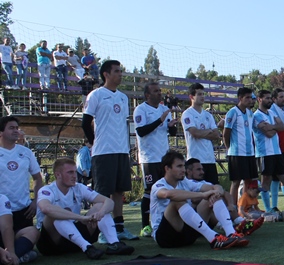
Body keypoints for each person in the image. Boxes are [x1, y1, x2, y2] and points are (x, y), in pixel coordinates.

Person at [82, 60, 138, 241]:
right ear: (106, 74)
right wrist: (94, 143)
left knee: (119, 191)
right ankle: (104, 232)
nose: (120, 74)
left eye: (121, 71)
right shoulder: (96, 95)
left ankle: (119, 228)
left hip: (121, 150)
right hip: (103, 152)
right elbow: (85, 123)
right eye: (117, 71)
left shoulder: (123, 97)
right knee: (103, 193)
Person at [36, 159, 134, 260]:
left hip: (74, 238)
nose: (74, 176)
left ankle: (114, 243)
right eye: (70, 172)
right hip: (52, 243)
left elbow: (109, 202)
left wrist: (100, 213)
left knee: (100, 206)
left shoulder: (79, 187)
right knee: (57, 214)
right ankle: (86, 247)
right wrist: (81, 218)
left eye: (75, 171)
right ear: (58, 175)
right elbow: (45, 208)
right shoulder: (47, 190)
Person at [150, 150, 247, 249]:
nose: (183, 169)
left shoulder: (185, 182)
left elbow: (216, 187)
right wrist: (201, 195)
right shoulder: (158, 185)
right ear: (167, 168)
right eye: (179, 166)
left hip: (187, 235)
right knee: (177, 201)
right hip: (165, 238)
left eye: (183, 166)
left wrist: (216, 193)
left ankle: (231, 233)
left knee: (213, 195)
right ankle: (214, 239)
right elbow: (168, 194)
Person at [133, 81, 178, 237]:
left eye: (160, 90)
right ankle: (145, 225)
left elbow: (171, 133)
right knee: (150, 190)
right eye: (155, 91)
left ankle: (166, 221)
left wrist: (172, 126)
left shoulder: (165, 110)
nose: (159, 93)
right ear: (147, 95)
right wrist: (160, 120)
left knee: (167, 189)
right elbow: (141, 131)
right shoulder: (141, 110)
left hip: (163, 157)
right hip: (149, 157)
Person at [0, 116, 42, 265]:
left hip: (23, 211)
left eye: (17, 128)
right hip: (2, 212)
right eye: (11, 128)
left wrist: (35, 201)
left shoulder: (26, 152)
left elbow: (38, 178)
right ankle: (17, 257)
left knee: (33, 233)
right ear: (1, 132)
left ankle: (9, 258)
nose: (16, 131)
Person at [253, 90, 284, 218]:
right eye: (267, 98)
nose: (270, 100)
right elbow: (269, 133)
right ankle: (268, 209)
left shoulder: (272, 112)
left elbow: (282, 126)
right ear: (259, 99)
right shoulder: (256, 115)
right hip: (264, 153)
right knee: (266, 181)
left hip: (276, 152)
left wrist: (272, 127)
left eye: (270, 98)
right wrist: (275, 127)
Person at [222, 87, 257, 207]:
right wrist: (229, 148)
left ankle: (245, 206)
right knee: (236, 181)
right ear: (240, 98)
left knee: (248, 180)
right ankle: (233, 207)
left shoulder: (250, 113)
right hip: (237, 152)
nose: (249, 100)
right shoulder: (232, 112)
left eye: (251, 97)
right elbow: (226, 133)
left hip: (249, 152)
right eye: (247, 97)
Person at [182, 83, 221, 184]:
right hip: (196, 160)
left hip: (210, 160)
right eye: (199, 94)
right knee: (197, 192)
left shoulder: (208, 115)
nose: (202, 97)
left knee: (214, 190)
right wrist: (208, 131)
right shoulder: (187, 114)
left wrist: (202, 133)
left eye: (203, 94)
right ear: (191, 97)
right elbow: (195, 133)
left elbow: (216, 135)